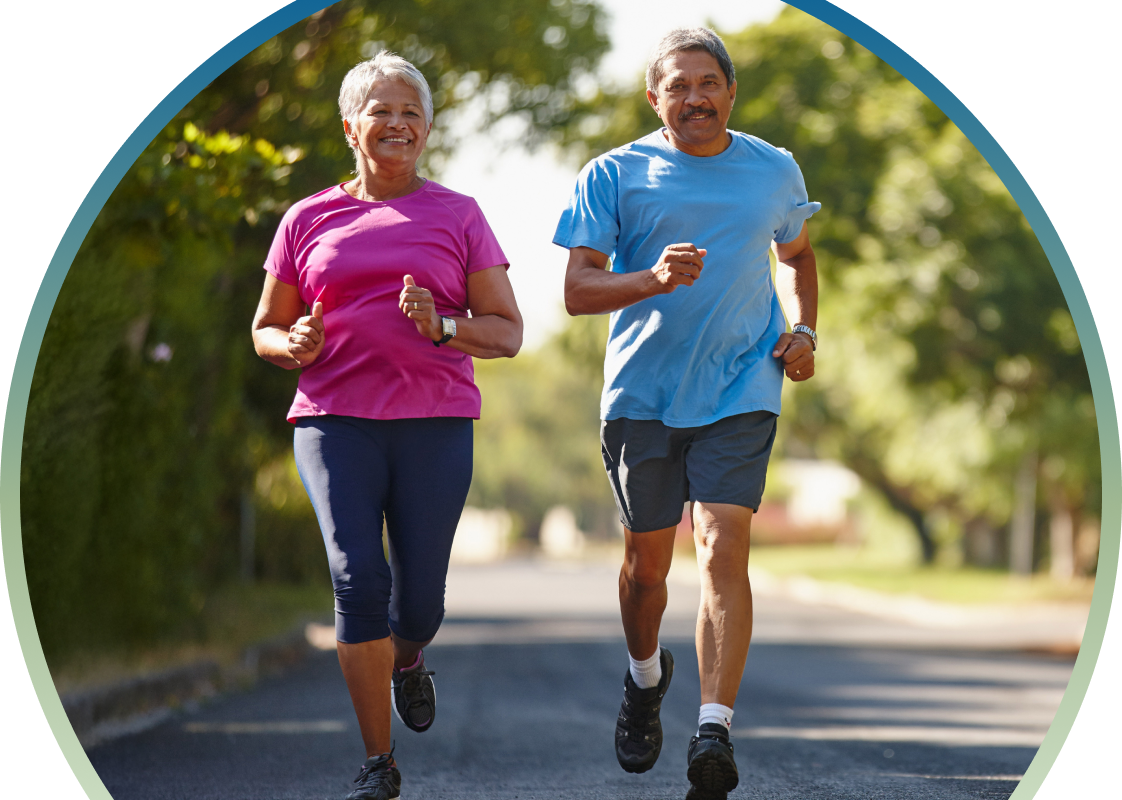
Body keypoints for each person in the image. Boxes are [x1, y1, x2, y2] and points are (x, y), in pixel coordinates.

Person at [554, 27, 819, 800]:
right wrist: (651, 279)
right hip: (644, 396)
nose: (695, 98)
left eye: (709, 83)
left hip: (742, 382)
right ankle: (644, 680)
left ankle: (714, 729)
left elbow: (796, 258)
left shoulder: (773, 170)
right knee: (646, 570)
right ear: (654, 97)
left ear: (731, 92)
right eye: (678, 86)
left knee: (722, 541)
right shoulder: (614, 174)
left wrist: (802, 331)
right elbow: (576, 292)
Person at [251, 51, 522, 800]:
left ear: (427, 129)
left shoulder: (458, 214)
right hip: (334, 420)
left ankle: (409, 657)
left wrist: (443, 327)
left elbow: (505, 331)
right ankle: (379, 761)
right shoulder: (308, 217)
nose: (396, 123)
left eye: (410, 112)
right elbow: (264, 330)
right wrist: (291, 344)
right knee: (355, 578)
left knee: (420, 604)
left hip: (435, 421)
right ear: (351, 126)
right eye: (381, 111)